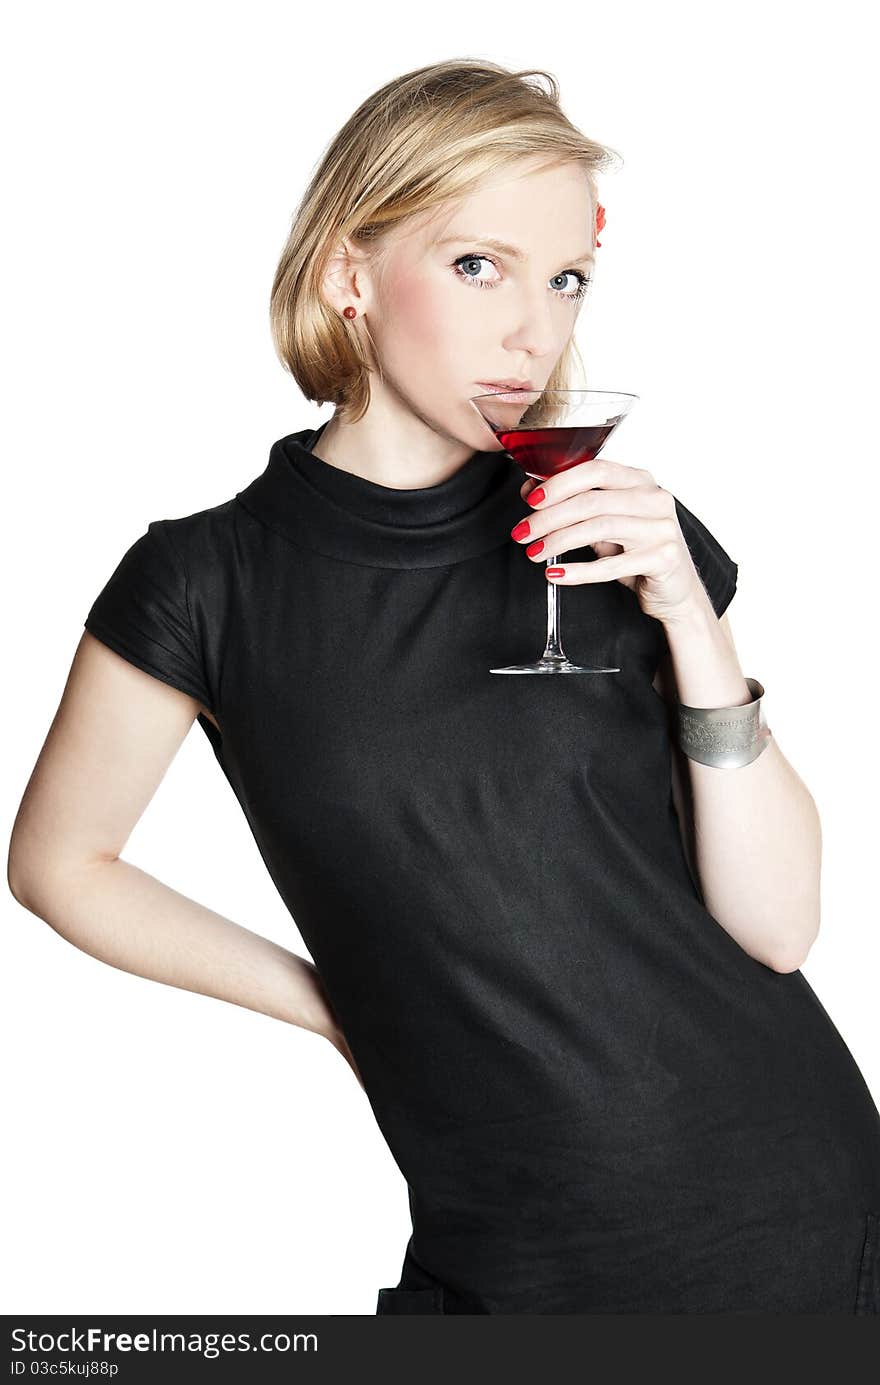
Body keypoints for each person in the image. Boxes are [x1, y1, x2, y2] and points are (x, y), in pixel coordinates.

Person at [8, 58, 880, 1315]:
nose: (536, 331)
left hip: (803, 1215)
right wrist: (334, 1005)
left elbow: (779, 926)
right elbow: (58, 864)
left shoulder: (616, 531)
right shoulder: (204, 581)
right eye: (480, 266)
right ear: (348, 275)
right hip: (511, 1253)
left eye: (566, 279)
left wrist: (687, 610)